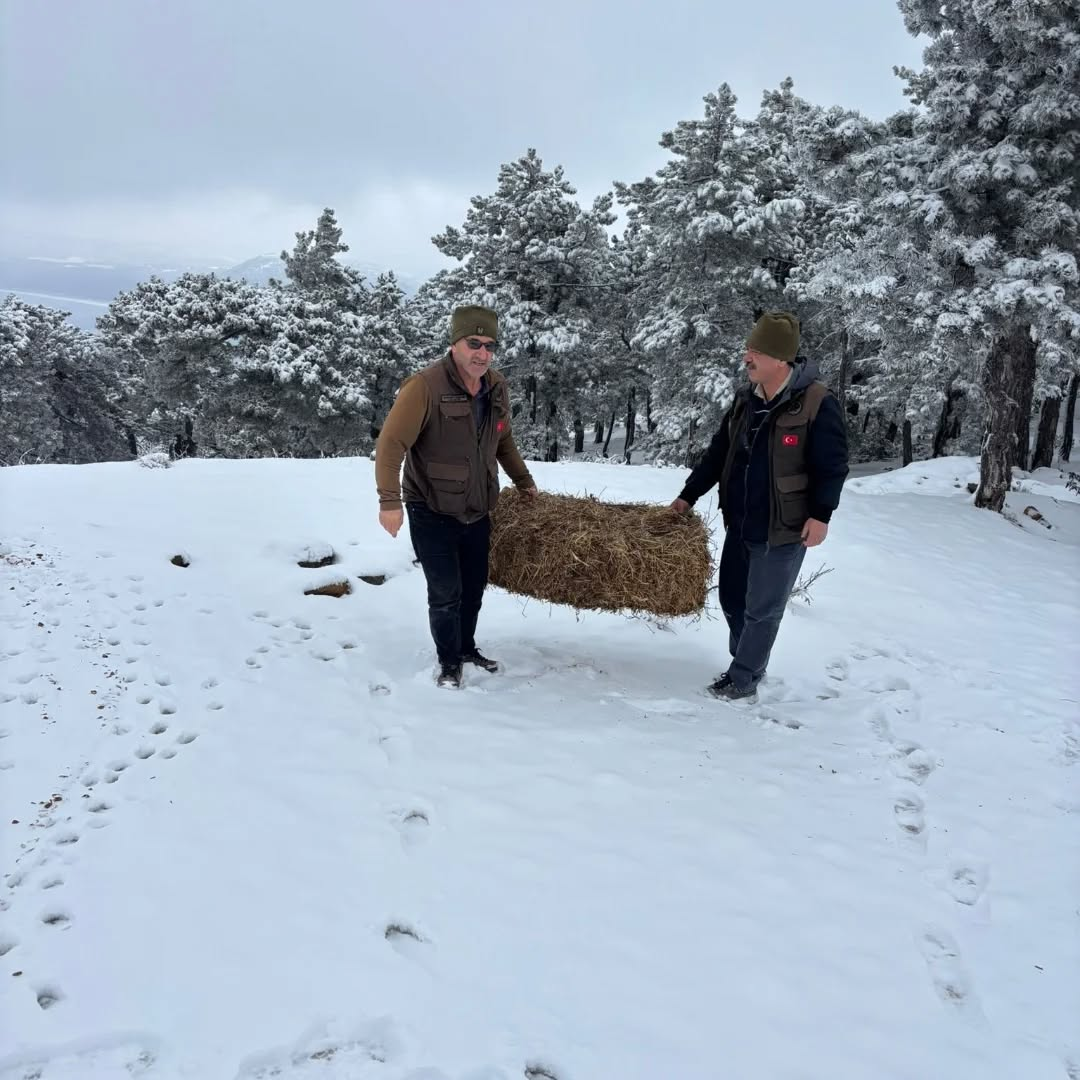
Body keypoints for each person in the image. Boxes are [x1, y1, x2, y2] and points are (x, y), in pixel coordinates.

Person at [670, 312, 849, 700]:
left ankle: (744, 677)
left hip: (784, 527)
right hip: (741, 520)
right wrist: (688, 495)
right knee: (732, 598)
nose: (745, 358)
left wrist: (821, 515)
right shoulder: (745, 400)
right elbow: (718, 454)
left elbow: (833, 466)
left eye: (754, 352)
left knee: (762, 609)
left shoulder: (817, 403)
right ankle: (746, 661)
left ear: (780, 359)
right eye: (747, 350)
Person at [375, 305, 537, 688]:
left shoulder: (496, 386)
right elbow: (391, 444)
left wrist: (524, 481)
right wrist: (389, 501)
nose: (482, 353)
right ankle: (449, 662)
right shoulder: (425, 386)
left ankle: (466, 647)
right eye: (474, 343)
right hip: (431, 508)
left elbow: (504, 440)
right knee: (446, 592)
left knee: (473, 587)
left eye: (489, 345)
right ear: (455, 343)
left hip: (477, 508)